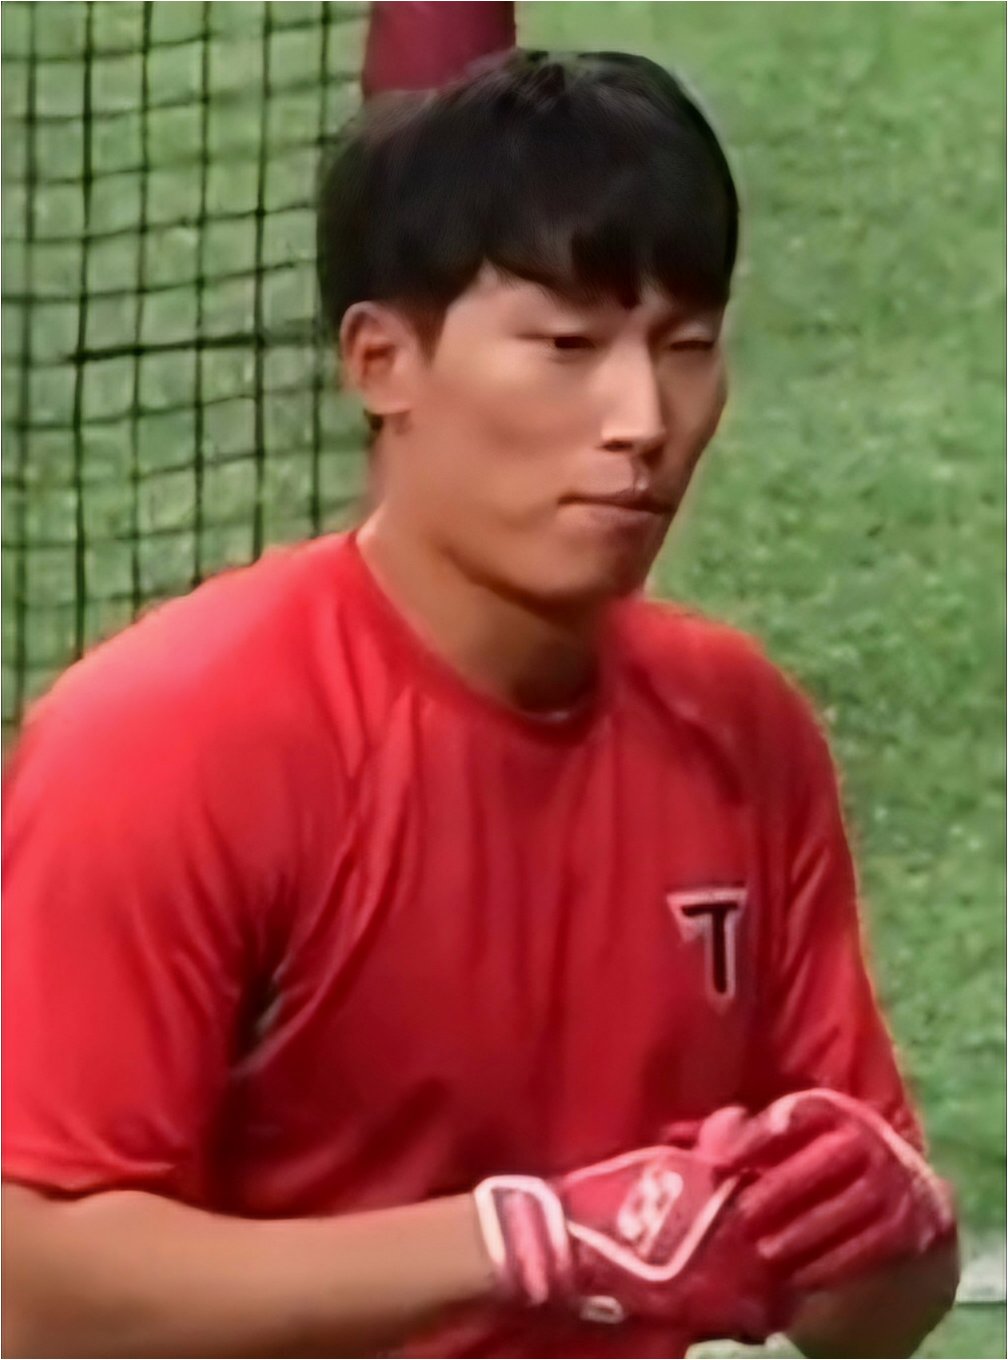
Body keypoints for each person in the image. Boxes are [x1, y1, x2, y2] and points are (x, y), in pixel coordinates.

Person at [2, 43, 959, 1360]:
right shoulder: (170, 741)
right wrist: (522, 1242)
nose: (642, 419)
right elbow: (35, 1299)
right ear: (381, 362)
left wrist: (890, 1228)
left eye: (685, 348)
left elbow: (866, 1322)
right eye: (568, 347)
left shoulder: (743, 731)